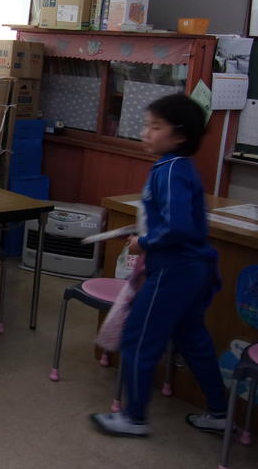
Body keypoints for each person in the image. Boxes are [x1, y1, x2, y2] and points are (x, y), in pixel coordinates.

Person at [91, 93, 228, 437]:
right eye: (146, 125)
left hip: (173, 270)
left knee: (138, 337)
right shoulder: (178, 167)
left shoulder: (169, 170)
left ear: (179, 135)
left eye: (155, 127)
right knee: (192, 338)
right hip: (193, 268)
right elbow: (176, 221)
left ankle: (134, 418)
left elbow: (177, 227)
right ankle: (220, 412)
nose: (145, 133)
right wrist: (147, 232)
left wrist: (145, 242)